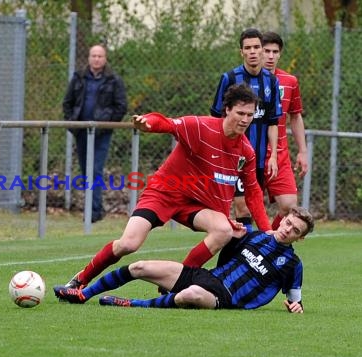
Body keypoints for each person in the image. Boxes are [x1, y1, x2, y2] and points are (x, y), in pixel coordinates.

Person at [60, 83, 272, 292]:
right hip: (164, 193)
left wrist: (267, 230)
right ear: (227, 110)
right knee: (128, 244)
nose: (245, 120)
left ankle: (176, 283)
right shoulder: (201, 127)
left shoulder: (246, 151)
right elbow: (167, 123)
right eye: (240, 113)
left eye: (250, 115)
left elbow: (253, 192)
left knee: (223, 230)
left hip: (196, 205)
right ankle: (80, 279)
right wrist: (148, 124)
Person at [54, 206, 314, 313]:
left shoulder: (292, 264)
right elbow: (224, 243)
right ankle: (83, 294)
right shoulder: (255, 237)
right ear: (284, 220)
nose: (288, 229)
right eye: (288, 223)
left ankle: (133, 303)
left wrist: (296, 306)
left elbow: (294, 298)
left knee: (188, 295)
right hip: (208, 277)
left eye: (295, 230)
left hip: (224, 298)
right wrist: (234, 230)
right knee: (138, 266)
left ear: (300, 238)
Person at [209, 28, 282, 234]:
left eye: (256, 47)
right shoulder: (230, 78)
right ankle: (244, 250)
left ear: (262, 49)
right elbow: (216, 117)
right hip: (232, 154)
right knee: (241, 205)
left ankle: (244, 250)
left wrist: (273, 156)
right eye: (248, 48)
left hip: (257, 158)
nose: (253, 52)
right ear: (241, 51)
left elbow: (273, 121)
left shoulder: (271, 81)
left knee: (253, 205)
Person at [62, 44, 128, 223]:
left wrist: (107, 124)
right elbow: (67, 103)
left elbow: (121, 106)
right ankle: (96, 209)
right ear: (89, 58)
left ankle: (93, 211)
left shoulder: (113, 80)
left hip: (101, 134)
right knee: (86, 171)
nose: (96, 59)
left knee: (95, 170)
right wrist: (72, 122)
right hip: (82, 132)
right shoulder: (79, 78)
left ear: (105, 59)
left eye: (100, 56)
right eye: (93, 55)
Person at [262, 31, 309, 229]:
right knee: (243, 207)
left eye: (275, 51)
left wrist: (303, 151)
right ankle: (242, 253)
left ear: (280, 54)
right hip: (249, 151)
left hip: (279, 153)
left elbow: (296, 116)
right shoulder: (244, 79)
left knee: (289, 206)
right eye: (267, 51)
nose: (271, 56)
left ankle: (268, 243)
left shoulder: (289, 81)